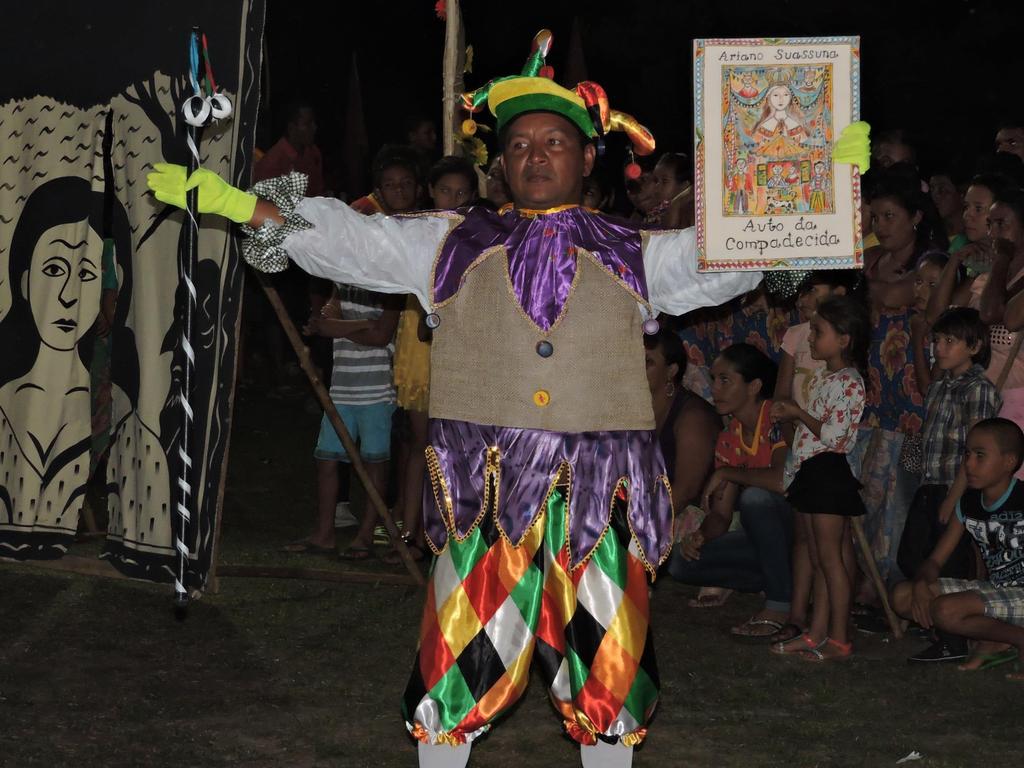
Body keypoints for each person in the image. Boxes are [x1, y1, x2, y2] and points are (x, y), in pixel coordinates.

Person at [148, 28, 866, 766]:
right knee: (461, 657)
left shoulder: (637, 250)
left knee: (606, 665)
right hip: (485, 493)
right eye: (520, 145)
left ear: (588, 159)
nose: (535, 155)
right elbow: (348, 240)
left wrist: (814, 192)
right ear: (501, 164)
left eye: (554, 142)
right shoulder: (447, 242)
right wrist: (239, 206)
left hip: (599, 492)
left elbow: (728, 261)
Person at [669, 344, 795, 639]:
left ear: (754, 386)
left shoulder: (776, 419)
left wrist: (728, 472)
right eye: (714, 379)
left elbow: (782, 481)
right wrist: (701, 535)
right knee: (680, 564)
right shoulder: (730, 436)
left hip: (799, 532)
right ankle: (788, 581)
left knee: (756, 499)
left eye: (725, 380)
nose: (715, 388)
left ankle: (779, 603)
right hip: (763, 541)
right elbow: (721, 515)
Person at [896, 306, 1000, 662]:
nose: (939, 348)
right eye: (937, 340)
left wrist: (955, 499)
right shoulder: (941, 385)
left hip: (955, 488)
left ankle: (953, 639)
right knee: (911, 557)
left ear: (974, 346)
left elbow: (975, 450)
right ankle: (936, 625)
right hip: (930, 483)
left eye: (950, 341)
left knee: (950, 563)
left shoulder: (979, 389)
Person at [770, 296, 869, 662]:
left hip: (829, 473)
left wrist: (797, 412)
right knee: (817, 555)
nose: (811, 338)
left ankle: (840, 638)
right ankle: (818, 633)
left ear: (843, 339)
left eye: (818, 331)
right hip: (813, 472)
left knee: (831, 560)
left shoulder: (850, 382)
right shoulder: (830, 377)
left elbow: (836, 437)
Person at [890, 418, 1024, 677]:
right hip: (999, 591)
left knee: (945, 610)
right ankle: (999, 640)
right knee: (902, 596)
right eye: (967, 454)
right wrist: (921, 582)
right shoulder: (969, 503)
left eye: (980, 456)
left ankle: (1015, 639)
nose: (969, 464)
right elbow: (935, 560)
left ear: (1009, 462)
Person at [647, 152, 694, 228]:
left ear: (684, 186)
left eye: (664, 181)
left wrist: (675, 204)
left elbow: (669, 231)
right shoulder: (655, 209)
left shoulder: (689, 211)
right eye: (656, 180)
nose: (657, 186)